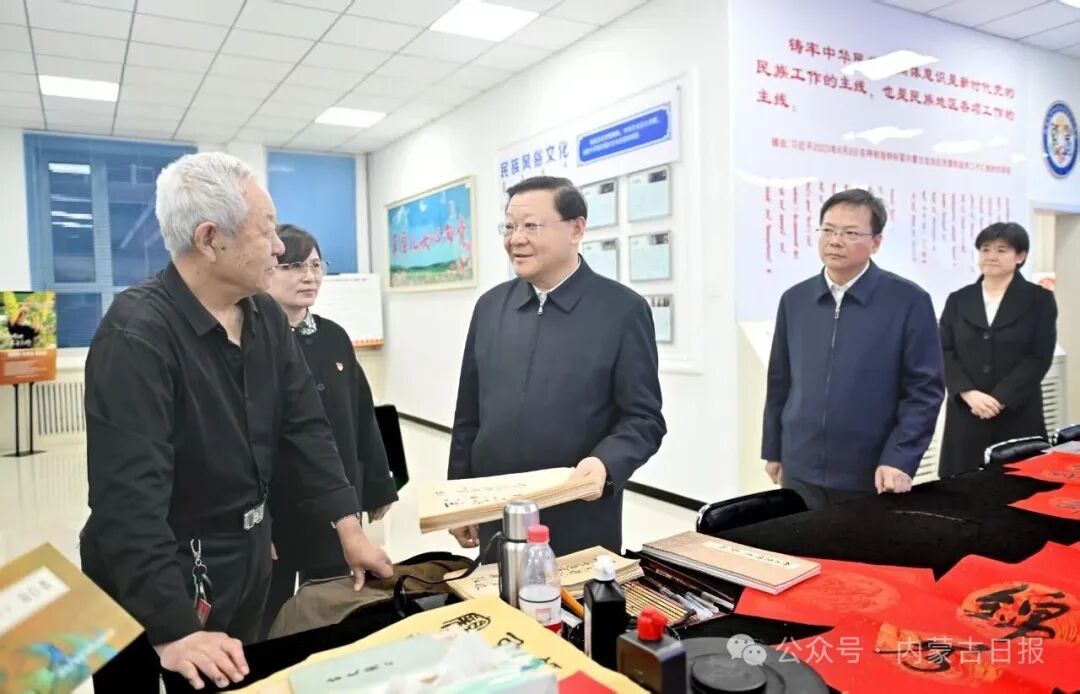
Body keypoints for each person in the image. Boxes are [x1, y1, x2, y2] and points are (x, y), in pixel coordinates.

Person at [81, 152, 394, 692]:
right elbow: (128, 502)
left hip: (243, 556)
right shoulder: (136, 336)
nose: (278, 247)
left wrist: (349, 527)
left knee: (240, 677)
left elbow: (305, 428)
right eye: (266, 230)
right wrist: (175, 628)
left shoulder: (263, 315)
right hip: (152, 567)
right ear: (210, 239)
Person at [448, 175, 666, 557]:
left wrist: (606, 463)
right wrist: (458, 494)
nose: (516, 239)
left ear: (576, 229)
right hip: (496, 514)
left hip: (577, 515)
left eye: (531, 226)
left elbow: (644, 419)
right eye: (510, 227)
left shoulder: (621, 310)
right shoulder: (490, 307)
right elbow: (468, 415)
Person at [762, 188, 945, 510]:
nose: (835, 241)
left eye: (850, 233)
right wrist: (774, 449)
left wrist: (900, 458)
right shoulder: (795, 300)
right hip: (799, 464)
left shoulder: (908, 301)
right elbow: (780, 380)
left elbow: (924, 390)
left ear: (876, 242)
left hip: (872, 469)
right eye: (828, 230)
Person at [261, 224, 399, 638]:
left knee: (332, 607)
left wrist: (378, 485)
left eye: (316, 265)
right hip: (278, 505)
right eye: (294, 266)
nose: (310, 276)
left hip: (335, 503)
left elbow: (362, 416)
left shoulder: (334, 337)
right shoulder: (254, 342)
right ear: (267, 269)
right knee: (270, 613)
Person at [938, 222, 1057, 477]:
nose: (991, 256)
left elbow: (1038, 357)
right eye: (985, 249)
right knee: (963, 488)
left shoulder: (1039, 300)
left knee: (1020, 486)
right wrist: (968, 392)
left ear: (1020, 256)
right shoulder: (959, 299)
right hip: (967, 411)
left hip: (1017, 411)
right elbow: (943, 350)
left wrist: (1000, 398)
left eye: (1002, 250)